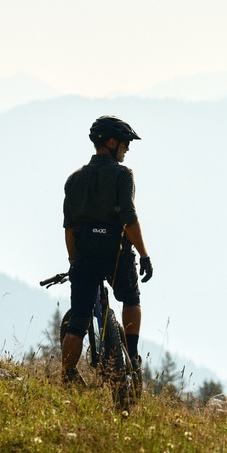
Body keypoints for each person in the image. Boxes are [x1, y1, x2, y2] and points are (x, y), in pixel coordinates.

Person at [61, 115, 153, 384]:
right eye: (125, 143)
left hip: (85, 252)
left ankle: (68, 375)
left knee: (79, 318)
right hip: (116, 253)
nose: (127, 148)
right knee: (131, 299)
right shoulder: (123, 175)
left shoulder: (74, 180)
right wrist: (144, 254)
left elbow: (69, 228)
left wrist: (74, 261)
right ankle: (132, 357)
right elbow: (128, 217)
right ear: (111, 143)